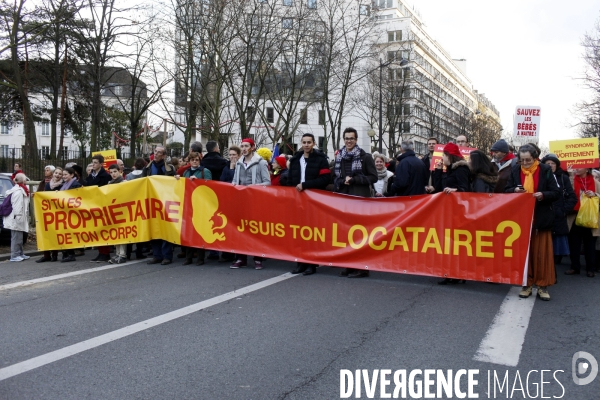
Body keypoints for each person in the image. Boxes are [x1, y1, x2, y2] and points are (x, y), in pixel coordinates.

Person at [505, 144, 560, 301]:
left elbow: (556, 192)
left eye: (528, 160)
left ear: (535, 158)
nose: (525, 163)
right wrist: (514, 191)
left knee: (542, 254)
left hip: (541, 217)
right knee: (526, 254)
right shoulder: (515, 170)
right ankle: (527, 284)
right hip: (522, 219)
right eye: (522, 160)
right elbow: (507, 189)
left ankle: (542, 286)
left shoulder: (545, 170)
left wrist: (542, 195)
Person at [284, 133, 331, 275]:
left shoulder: (321, 159)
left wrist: (305, 185)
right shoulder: (295, 159)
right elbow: (291, 178)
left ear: (314, 143)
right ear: (301, 143)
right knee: (298, 233)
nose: (306, 145)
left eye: (309, 142)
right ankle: (300, 262)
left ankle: (311, 264)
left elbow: (325, 179)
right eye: (304, 142)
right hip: (297, 200)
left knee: (311, 234)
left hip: (314, 201)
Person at [334, 127, 377, 278]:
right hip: (345, 198)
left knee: (360, 234)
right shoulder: (340, 157)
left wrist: (355, 180)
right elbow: (336, 177)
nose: (349, 141)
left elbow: (373, 177)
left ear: (356, 140)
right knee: (346, 233)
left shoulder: (365, 157)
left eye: (351, 138)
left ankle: (362, 267)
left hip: (360, 199)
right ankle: (349, 264)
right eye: (346, 138)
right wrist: (341, 181)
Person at [433, 143, 471, 284]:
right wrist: (437, 172)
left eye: (444, 155)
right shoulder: (448, 169)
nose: (442, 158)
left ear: (450, 155)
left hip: (458, 211)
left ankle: (457, 273)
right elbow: (439, 189)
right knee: (448, 242)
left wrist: (456, 190)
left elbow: (466, 189)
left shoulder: (461, 169)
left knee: (456, 243)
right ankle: (450, 272)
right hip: (449, 210)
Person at [230, 138, 271, 269]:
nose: (244, 148)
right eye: (242, 146)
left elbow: (267, 182)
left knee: (255, 229)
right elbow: (235, 180)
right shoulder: (238, 163)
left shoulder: (261, 163)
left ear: (252, 147)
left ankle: (258, 258)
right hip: (241, 201)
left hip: (256, 200)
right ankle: (241, 258)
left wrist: (254, 186)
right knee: (241, 229)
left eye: (246, 146)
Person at [175, 151, 212, 265]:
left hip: (201, 205)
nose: (195, 162)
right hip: (188, 205)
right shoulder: (186, 172)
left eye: (197, 160)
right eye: (192, 160)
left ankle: (200, 258)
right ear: (189, 161)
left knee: (200, 232)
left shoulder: (204, 171)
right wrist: (177, 180)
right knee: (188, 232)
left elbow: (210, 186)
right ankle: (188, 257)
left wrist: (197, 181)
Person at [540, 153, 577, 266]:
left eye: (553, 163)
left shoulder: (563, 178)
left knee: (556, 247)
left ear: (557, 165)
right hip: (544, 215)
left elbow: (572, 197)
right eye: (548, 163)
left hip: (558, 215)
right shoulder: (541, 178)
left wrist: (563, 210)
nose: (550, 165)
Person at [564, 166, 600, 278]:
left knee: (590, 245)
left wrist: (595, 195)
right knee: (574, 244)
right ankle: (575, 267)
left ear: (587, 169)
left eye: (580, 167)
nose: (576, 169)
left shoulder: (595, 182)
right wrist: (570, 175)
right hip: (574, 216)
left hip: (590, 217)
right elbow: (566, 192)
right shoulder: (572, 179)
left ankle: (591, 268)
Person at [144, 147, 176, 265]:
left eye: (159, 152)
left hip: (165, 201)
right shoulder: (147, 168)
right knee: (154, 228)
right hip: (152, 202)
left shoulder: (170, 168)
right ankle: (157, 255)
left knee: (165, 228)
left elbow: (175, 183)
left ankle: (167, 255)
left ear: (164, 156)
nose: (156, 154)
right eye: (155, 152)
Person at [85, 155, 112, 262]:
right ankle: (101, 252)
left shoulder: (105, 176)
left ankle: (105, 253)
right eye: (93, 162)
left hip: (101, 204)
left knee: (103, 229)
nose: (93, 165)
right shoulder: (91, 175)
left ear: (101, 164)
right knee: (97, 230)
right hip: (93, 204)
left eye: (96, 162)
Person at [35, 167, 63, 263]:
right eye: (56, 173)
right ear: (53, 173)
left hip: (56, 212)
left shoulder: (62, 185)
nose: (57, 175)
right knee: (45, 232)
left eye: (60, 174)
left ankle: (54, 254)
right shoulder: (47, 185)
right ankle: (46, 255)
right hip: (46, 212)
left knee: (54, 233)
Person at [56, 167, 83, 262]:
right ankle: (66, 253)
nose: (63, 176)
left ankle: (71, 254)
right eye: (63, 175)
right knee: (65, 233)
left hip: (72, 213)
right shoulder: (64, 185)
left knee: (69, 233)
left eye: (65, 174)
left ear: (72, 175)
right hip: (65, 212)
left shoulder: (76, 185)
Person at [105, 164, 128, 264]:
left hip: (122, 210)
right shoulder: (109, 183)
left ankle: (123, 254)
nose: (113, 174)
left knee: (122, 232)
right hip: (113, 210)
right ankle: (118, 253)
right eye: (111, 172)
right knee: (115, 232)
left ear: (120, 171)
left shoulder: (124, 182)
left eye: (115, 171)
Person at [4, 173, 30, 262]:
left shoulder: (21, 190)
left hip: (18, 216)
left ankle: (20, 253)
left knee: (19, 236)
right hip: (16, 217)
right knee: (16, 237)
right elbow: (17, 205)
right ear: (22, 181)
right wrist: (19, 216)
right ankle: (15, 255)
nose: (26, 181)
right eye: (25, 179)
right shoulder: (18, 191)